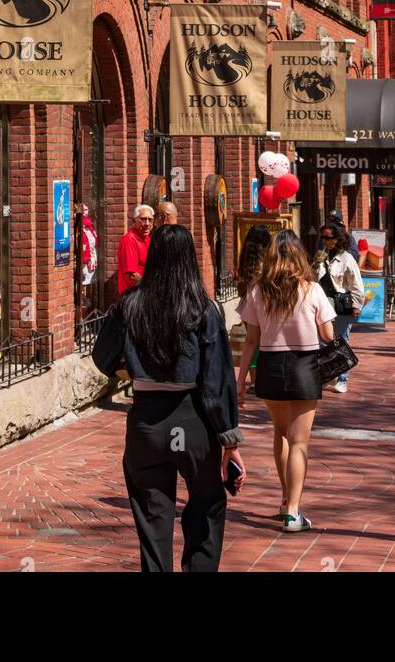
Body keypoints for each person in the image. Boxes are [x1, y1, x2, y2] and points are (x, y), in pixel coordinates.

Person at [92, 224, 245, 571]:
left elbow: (102, 356)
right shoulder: (204, 309)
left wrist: (129, 368)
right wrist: (230, 441)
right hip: (193, 421)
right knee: (206, 506)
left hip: (146, 421)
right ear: (189, 259)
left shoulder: (129, 305)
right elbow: (217, 379)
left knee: (151, 516)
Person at [236, 230, 335, 532]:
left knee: (281, 433)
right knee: (300, 441)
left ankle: (284, 499)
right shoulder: (313, 290)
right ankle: (293, 511)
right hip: (304, 365)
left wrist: (240, 381)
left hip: (270, 364)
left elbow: (250, 341)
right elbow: (329, 335)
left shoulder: (258, 291)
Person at [315, 222, 364, 391]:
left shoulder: (347, 258)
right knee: (323, 341)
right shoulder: (321, 256)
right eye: (323, 238)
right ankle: (329, 374)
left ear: (337, 239)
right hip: (323, 305)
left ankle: (342, 378)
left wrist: (357, 305)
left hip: (341, 305)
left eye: (328, 238)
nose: (325, 241)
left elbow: (356, 283)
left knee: (342, 340)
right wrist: (315, 264)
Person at [235, 225, 274, 387]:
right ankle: (262, 379)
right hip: (264, 304)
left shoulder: (246, 258)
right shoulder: (269, 261)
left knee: (252, 342)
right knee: (263, 342)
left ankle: (254, 380)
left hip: (247, 305)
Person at [116, 204, 153, 294]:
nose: (147, 224)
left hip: (142, 292)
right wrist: (152, 287)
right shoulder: (130, 240)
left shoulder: (147, 239)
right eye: (143, 219)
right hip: (133, 295)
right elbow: (132, 276)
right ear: (134, 221)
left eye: (150, 220)